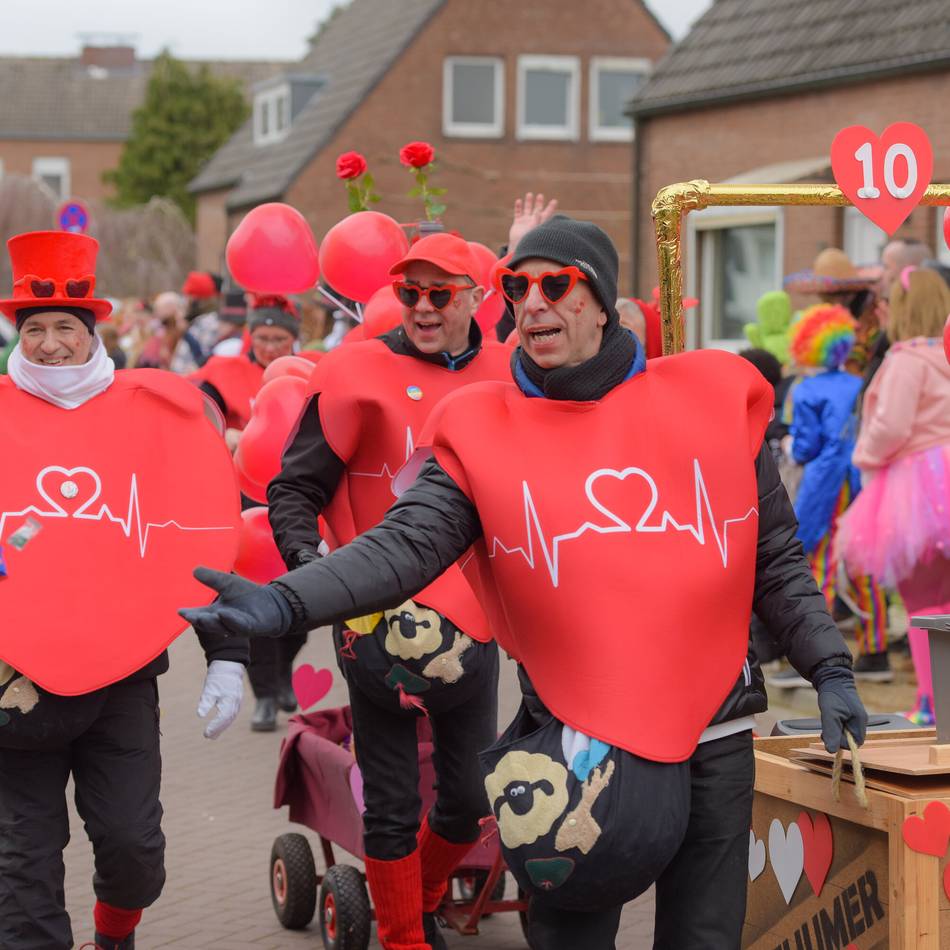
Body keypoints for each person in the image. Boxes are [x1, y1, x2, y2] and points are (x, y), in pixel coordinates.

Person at [182, 216, 867, 950]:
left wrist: (829, 666)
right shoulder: (483, 430)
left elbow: (775, 559)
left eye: (555, 284)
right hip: (578, 741)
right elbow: (402, 549)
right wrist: (284, 601)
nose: (531, 302)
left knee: (705, 939)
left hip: (717, 731)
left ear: (601, 301)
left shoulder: (706, 405)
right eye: (516, 286)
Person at [0, 231, 245, 950]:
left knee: (133, 852)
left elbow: (194, 532)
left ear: (91, 332)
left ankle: (114, 934)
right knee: (22, 871)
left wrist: (227, 652)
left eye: (65, 329)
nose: (49, 345)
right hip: (14, 689)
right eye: (35, 329)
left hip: (122, 680)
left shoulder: (152, 414)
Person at [264, 232, 510, 949]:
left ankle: (423, 894)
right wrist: (317, 576)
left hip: (478, 621)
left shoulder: (513, 371)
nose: (423, 308)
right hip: (374, 621)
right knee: (394, 801)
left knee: (467, 800)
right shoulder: (352, 373)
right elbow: (293, 489)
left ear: (477, 297)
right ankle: (404, 936)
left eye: (441, 293)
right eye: (410, 293)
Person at [836, 267, 950, 725]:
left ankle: (931, 701)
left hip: (916, 484)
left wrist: (865, 456)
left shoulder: (905, 361)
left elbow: (891, 427)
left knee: (922, 603)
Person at [192, 294, 302, 731]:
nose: (270, 346)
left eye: (279, 338)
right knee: (254, 598)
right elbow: (195, 414)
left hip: (296, 497)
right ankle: (265, 695)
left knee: (299, 599)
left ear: (293, 339)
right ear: (249, 336)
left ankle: (283, 670)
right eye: (262, 337)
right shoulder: (223, 372)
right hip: (243, 499)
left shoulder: (307, 372)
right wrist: (228, 433)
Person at [766, 303, 891, 689]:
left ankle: (818, 655)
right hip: (859, 481)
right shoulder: (857, 382)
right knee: (862, 564)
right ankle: (876, 650)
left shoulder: (806, 391)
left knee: (817, 564)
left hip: (824, 485)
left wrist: (788, 447)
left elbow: (804, 447)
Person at [169, 270, 222, 374]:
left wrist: (186, 334)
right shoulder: (196, 321)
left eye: (189, 295)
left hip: (190, 382)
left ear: (198, 299)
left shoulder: (209, 322)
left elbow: (201, 358)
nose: (185, 300)